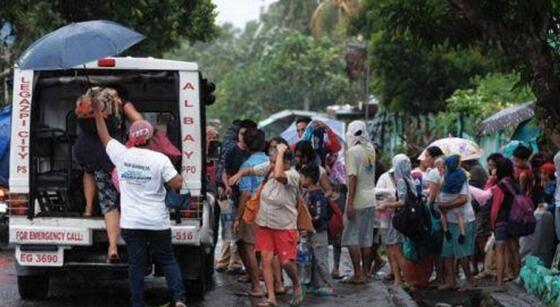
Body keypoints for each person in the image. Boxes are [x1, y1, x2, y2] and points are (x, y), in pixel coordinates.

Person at [93, 105, 186, 307]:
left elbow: (104, 136)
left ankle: (138, 304)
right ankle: (178, 300)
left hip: (132, 223)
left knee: (136, 265)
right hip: (157, 222)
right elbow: (177, 183)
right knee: (168, 261)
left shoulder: (122, 155)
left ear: (131, 136)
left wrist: (97, 114)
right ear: (151, 138)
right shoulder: (160, 159)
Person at [73, 86, 143, 262]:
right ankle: (112, 246)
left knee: (89, 171)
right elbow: (139, 121)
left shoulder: (89, 98)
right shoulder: (121, 101)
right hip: (109, 152)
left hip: (84, 148)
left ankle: (88, 209)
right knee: (110, 200)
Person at [231, 143, 303, 306]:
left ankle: (297, 283)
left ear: (285, 162)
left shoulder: (292, 175)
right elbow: (250, 170)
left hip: (284, 225)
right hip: (265, 223)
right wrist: (239, 174)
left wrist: (280, 153)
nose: (271, 163)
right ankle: (271, 297)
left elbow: (278, 175)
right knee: (266, 259)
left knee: (285, 262)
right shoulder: (270, 167)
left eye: (275, 160)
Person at [233, 128, 269, 297]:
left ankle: (256, 286)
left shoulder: (247, 165)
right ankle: (274, 284)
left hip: (252, 210)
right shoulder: (270, 161)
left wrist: (237, 218)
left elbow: (245, 194)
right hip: (269, 208)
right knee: (266, 248)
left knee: (248, 247)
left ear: (245, 144)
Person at [340, 121, 376, 285]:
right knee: (366, 238)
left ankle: (357, 274)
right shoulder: (370, 149)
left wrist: (350, 202)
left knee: (352, 237)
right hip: (370, 198)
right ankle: (365, 272)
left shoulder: (352, 152)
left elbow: (352, 178)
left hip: (358, 198)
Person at [438, 155, 477, 291]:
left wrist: (445, 205)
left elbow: (463, 199)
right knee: (447, 251)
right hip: (449, 221)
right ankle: (451, 281)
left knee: (462, 252)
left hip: (463, 219)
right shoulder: (446, 176)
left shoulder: (462, 179)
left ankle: (470, 280)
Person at [300, 164, 334, 296]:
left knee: (321, 259)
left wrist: (308, 224)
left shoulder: (318, 195)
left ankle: (327, 284)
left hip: (318, 232)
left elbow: (320, 216)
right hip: (310, 231)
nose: (300, 179)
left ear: (309, 179)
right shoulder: (307, 194)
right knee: (311, 259)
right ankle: (314, 284)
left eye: (302, 177)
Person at [490, 158, 521, 286]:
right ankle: (517, 276)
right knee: (514, 249)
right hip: (514, 220)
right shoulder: (515, 183)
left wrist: (493, 223)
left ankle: (499, 282)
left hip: (502, 222)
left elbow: (496, 207)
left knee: (500, 251)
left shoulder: (501, 185)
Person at [375, 168, 405, 286]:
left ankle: (399, 276)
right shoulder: (384, 177)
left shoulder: (404, 180)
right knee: (389, 246)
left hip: (399, 217)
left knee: (396, 247)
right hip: (385, 216)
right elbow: (378, 196)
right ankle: (395, 273)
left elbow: (403, 200)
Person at [325, 152, 347, 279]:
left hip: (338, 200)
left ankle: (336, 267)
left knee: (336, 233)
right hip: (329, 200)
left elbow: (343, 184)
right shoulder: (325, 165)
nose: (328, 157)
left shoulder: (340, 164)